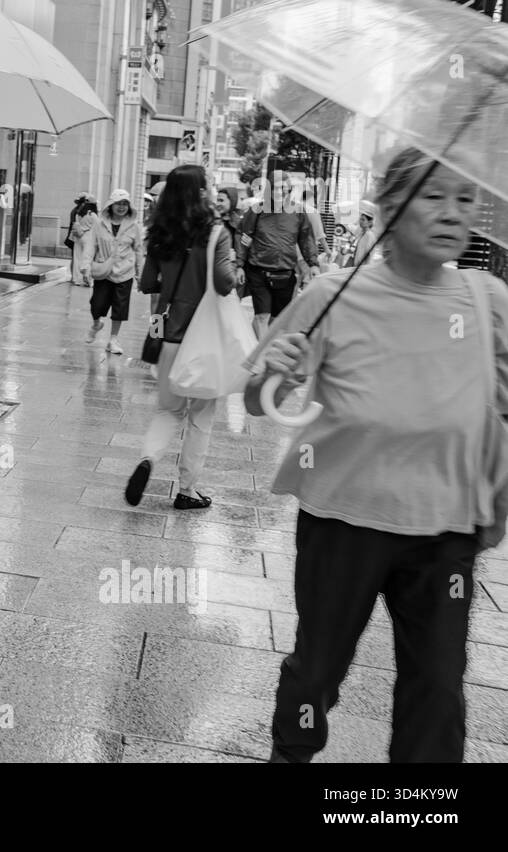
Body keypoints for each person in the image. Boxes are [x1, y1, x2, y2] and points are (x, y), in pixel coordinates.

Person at [248, 148, 499, 763]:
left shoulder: (487, 299)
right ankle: (292, 753)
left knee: (438, 684)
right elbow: (259, 400)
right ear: (389, 208)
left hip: (446, 526)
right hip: (344, 520)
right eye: (433, 196)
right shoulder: (336, 294)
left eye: (465, 200)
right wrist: (270, 372)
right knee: (319, 669)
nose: (451, 213)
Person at [126, 165, 236, 512]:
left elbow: (146, 283)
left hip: (169, 335)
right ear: (201, 191)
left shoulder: (159, 232)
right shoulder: (217, 232)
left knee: (167, 410)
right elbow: (223, 282)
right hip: (203, 341)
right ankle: (188, 490)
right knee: (200, 417)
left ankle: (148, 458)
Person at [237, 176, 319, 339]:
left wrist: (313, 264)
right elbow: (243, 235)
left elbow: (306, 238)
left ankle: (259, 346)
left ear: (289, 191)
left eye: (284, 188)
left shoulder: (298, 213)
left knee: (276, 321)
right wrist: (239, 264)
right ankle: (260, 356)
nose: (280, 192)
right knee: (262, 316)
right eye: (276, 188)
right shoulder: (256, 211)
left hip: (285, 274)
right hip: (258, 271)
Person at [82, 188, 144, 355]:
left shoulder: (134, 227)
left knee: (120, 308)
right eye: (118, 204)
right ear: (111, 205)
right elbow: (90, 246)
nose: (122, 207)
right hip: (104, 271)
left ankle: (113, 339)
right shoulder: (99, 224)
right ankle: (96, 324)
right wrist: (85, 266)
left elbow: (138, 250)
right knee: (97, 305)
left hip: (125, 272)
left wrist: (140, 273)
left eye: (125, 204)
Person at [65, 192, 99, 286]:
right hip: (88, 237)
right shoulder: (92, 215)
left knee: (77, 259)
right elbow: (98, 227)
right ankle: (87, 277)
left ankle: (76, 280)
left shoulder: (78, 213)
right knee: (87, 258)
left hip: (78, 237)